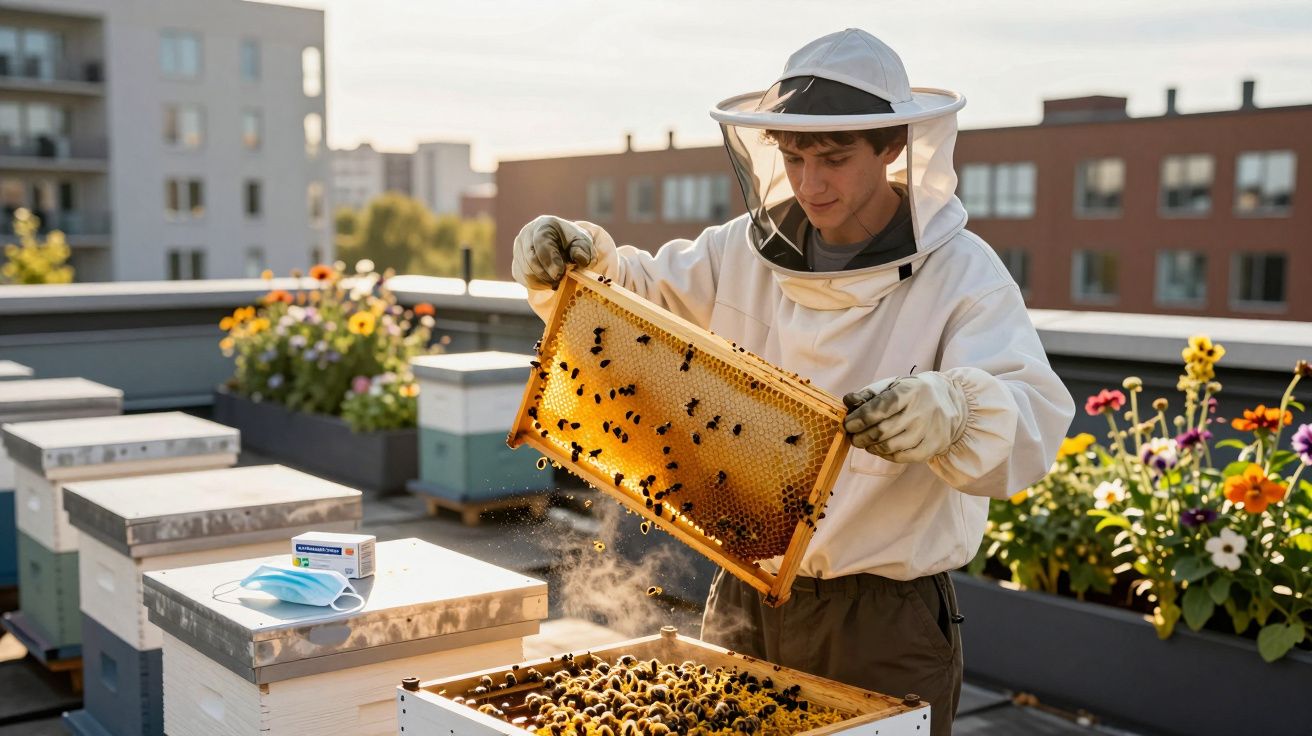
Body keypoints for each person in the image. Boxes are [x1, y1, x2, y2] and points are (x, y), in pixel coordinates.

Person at [512, 28, 1074, 735]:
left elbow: (1032, 417)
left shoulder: (962, 274)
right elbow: (634, 306)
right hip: (746, 592)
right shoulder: (739, 253)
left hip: (884, 620)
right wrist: (581, 262)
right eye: (795, 156)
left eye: (834, 159)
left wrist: (956, 409)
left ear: (893, 146)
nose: (811, 183)